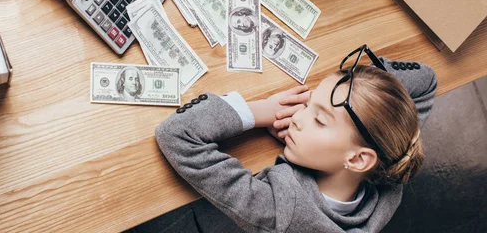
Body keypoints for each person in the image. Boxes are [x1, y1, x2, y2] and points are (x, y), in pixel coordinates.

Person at [154, 45, 437, 232]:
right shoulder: (391, 162)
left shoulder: (280, 212)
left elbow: (177, 134)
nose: (297, 117)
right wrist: (360, 88)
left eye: (318, 119)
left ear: (357, 158)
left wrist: (262, 110)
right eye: (307, 104)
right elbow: (427, 82)